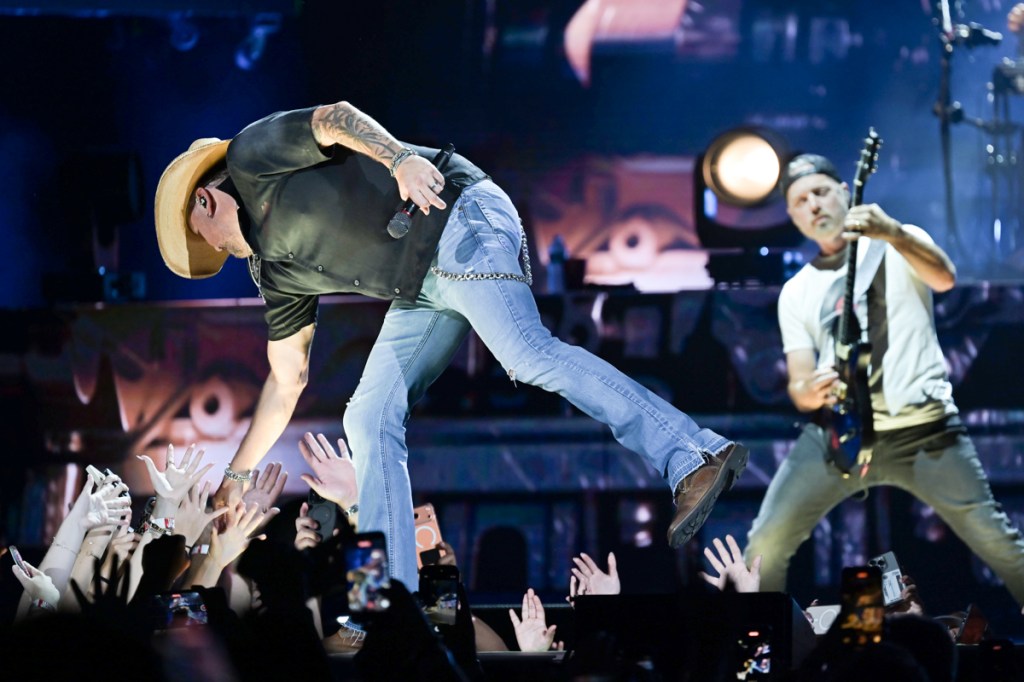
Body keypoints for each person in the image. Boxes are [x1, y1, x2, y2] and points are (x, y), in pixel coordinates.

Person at [153, 99, 747, 590]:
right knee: (367, 414)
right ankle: (393, 597)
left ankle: (692, 454)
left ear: (204, 201)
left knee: (526, 354)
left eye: (208, 243)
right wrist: (237, 476)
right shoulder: (274, 275)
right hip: (420, 283)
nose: (222, 256)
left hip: (457, 214)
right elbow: (287, 381)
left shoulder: (254, 155)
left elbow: (334, 118)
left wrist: (402, 158)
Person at [744, 153, 1024, 604]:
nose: (814, 205)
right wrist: (808, 390)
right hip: (840, 437)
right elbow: (797, 385)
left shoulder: (901, 241)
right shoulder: (796, 292)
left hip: (925, 431)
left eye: (821, 192)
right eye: (800, 200)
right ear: (793, 217)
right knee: (765, 546)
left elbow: (945, 278)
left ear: (845, 193)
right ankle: (761, 659)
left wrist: (891, 231)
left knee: (998, 542)